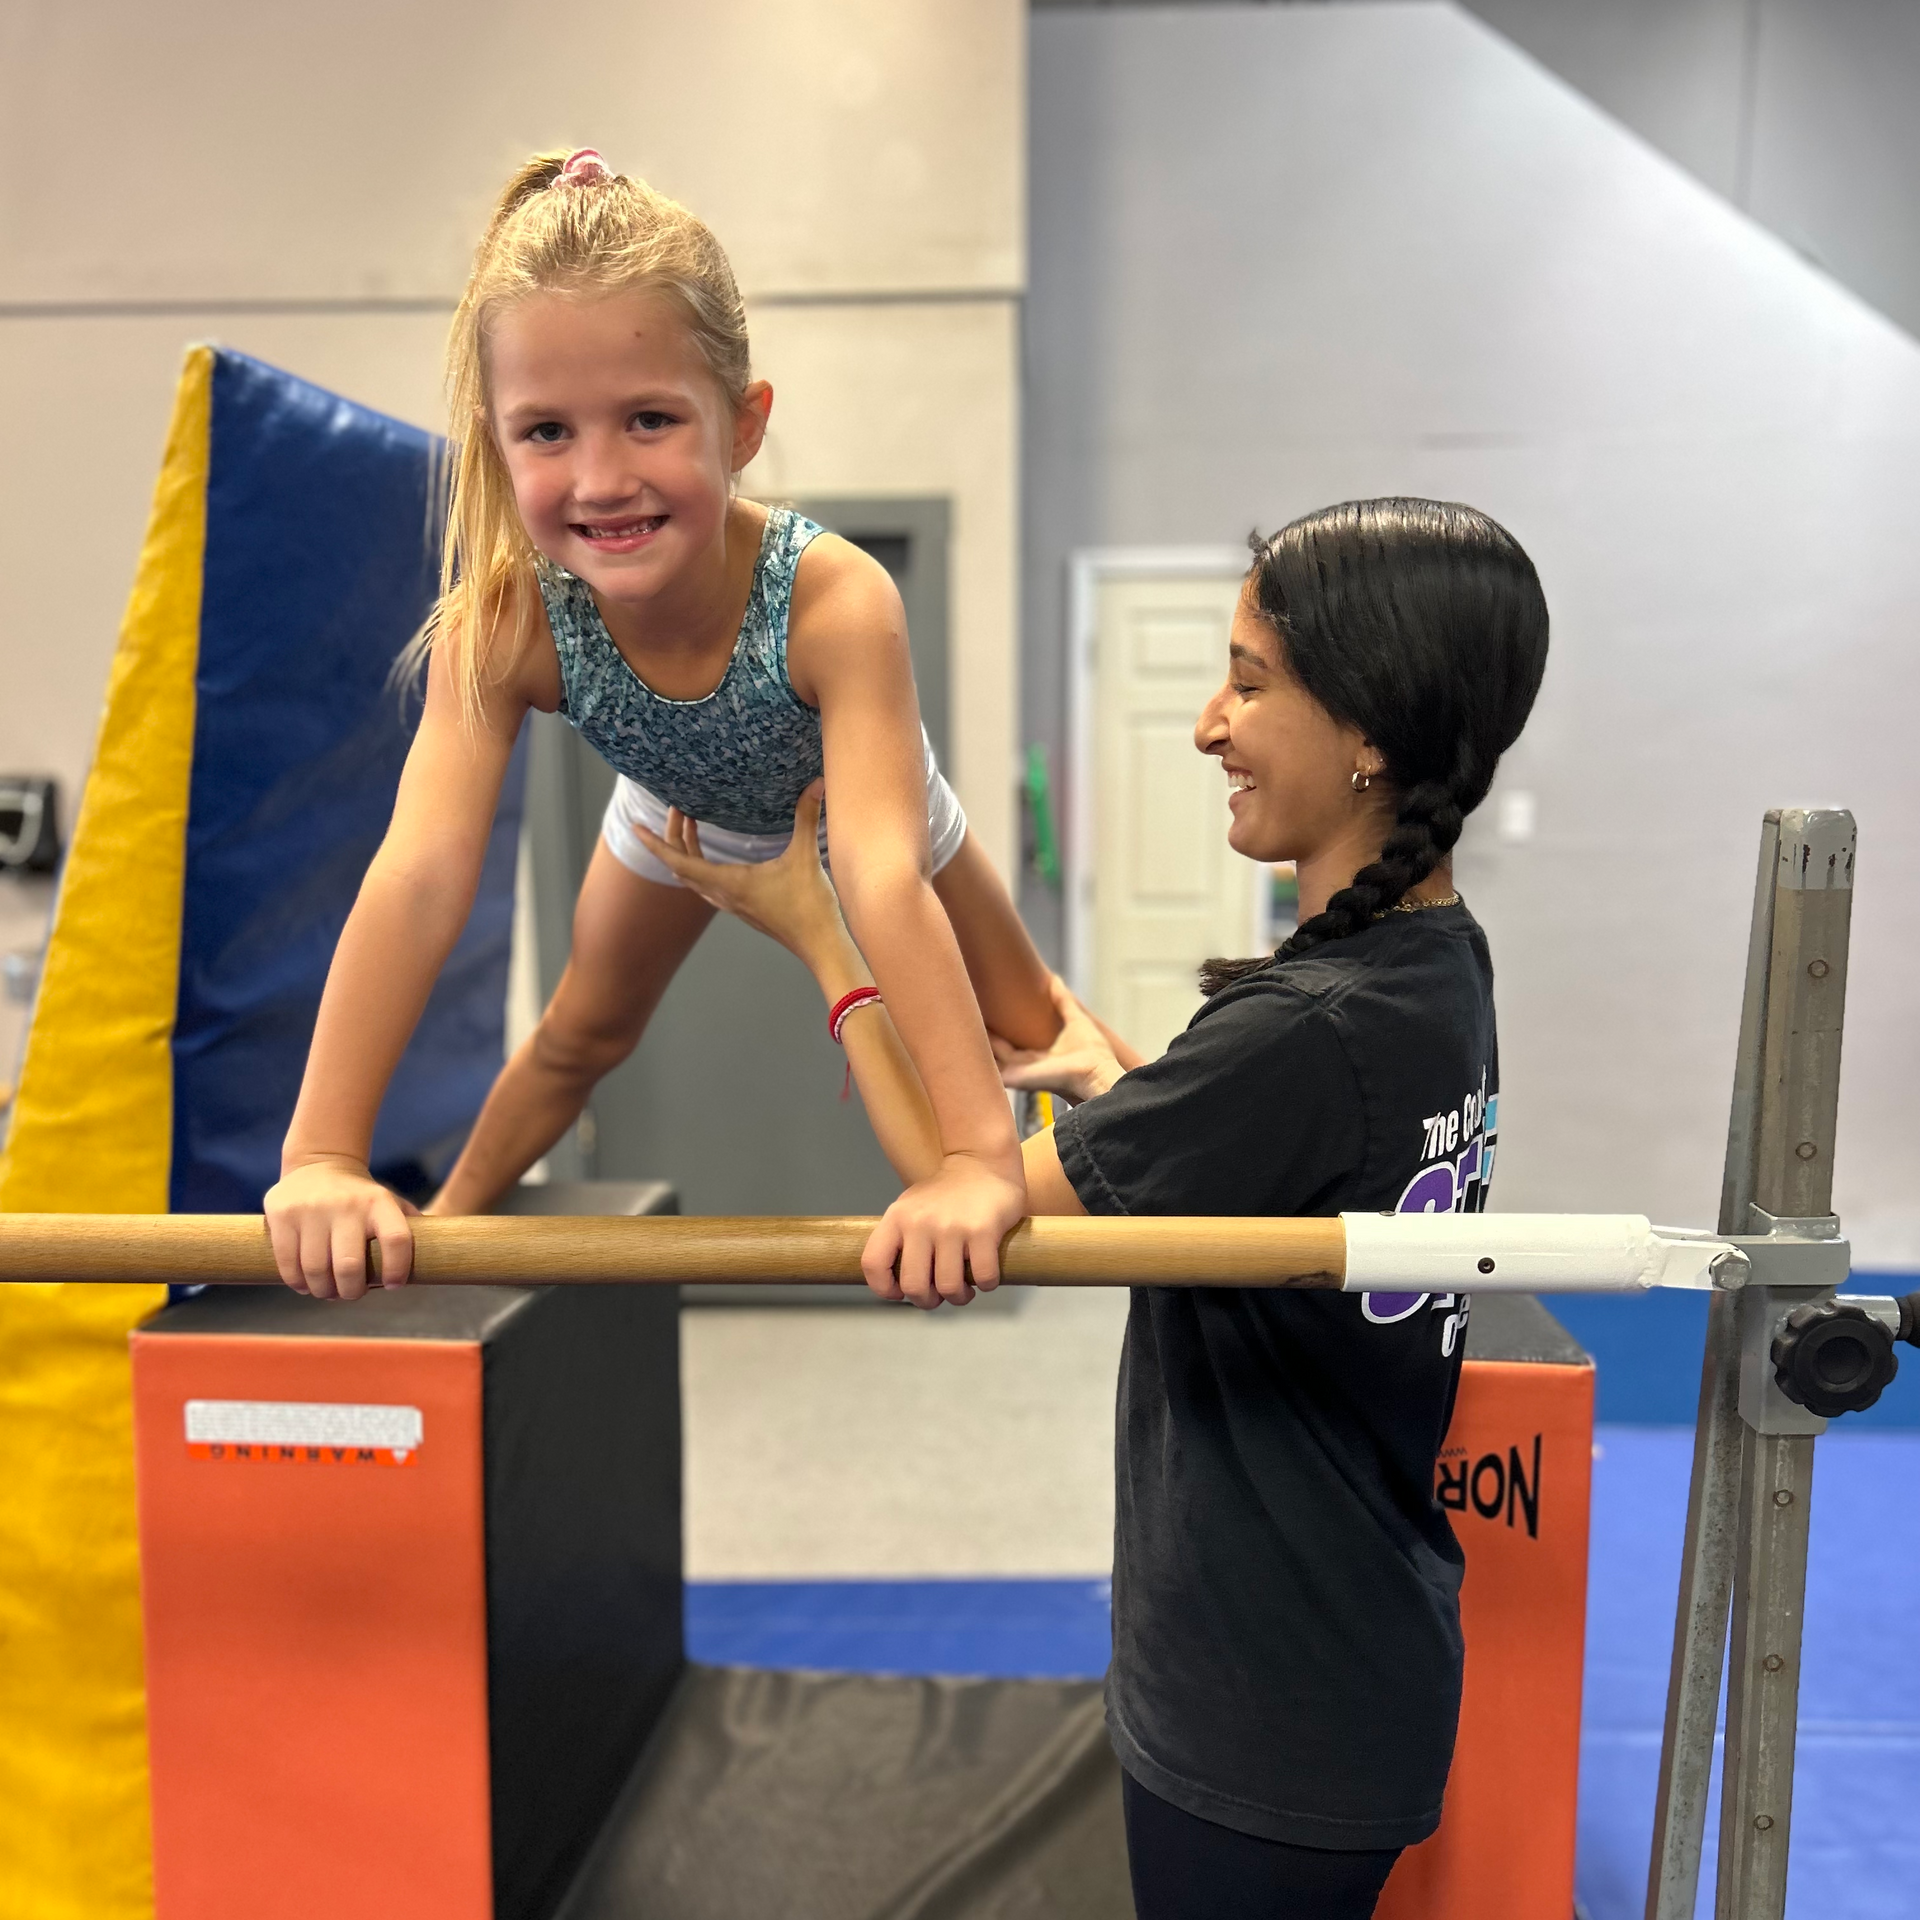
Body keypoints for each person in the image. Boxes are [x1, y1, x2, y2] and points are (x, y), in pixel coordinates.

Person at [645, 497, 1549, 1919]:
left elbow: (968, 1201)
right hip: (1343, 1655)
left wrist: (829, 943)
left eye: (1250, 681)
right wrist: (1123, 1075)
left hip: (1262, 1700)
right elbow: (1308, 1154)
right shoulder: (1437, 965)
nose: (1207, 724)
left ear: (1370, 729)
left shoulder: (1303, 1031)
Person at [264, 148, 1056, 1299]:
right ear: (494, 441)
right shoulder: (502, 624)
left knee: (1033, 1026)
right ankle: (447, 1228)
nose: (600, 478)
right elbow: (421, 874)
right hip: (671, 811)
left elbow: (883, 875)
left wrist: (978, 1163)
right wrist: (323, 1157)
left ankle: (1191, 1162)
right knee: (582, 1033)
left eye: (647, 419)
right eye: (546, 432)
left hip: (864, 810)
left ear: (742, 425)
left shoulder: (834, 599)